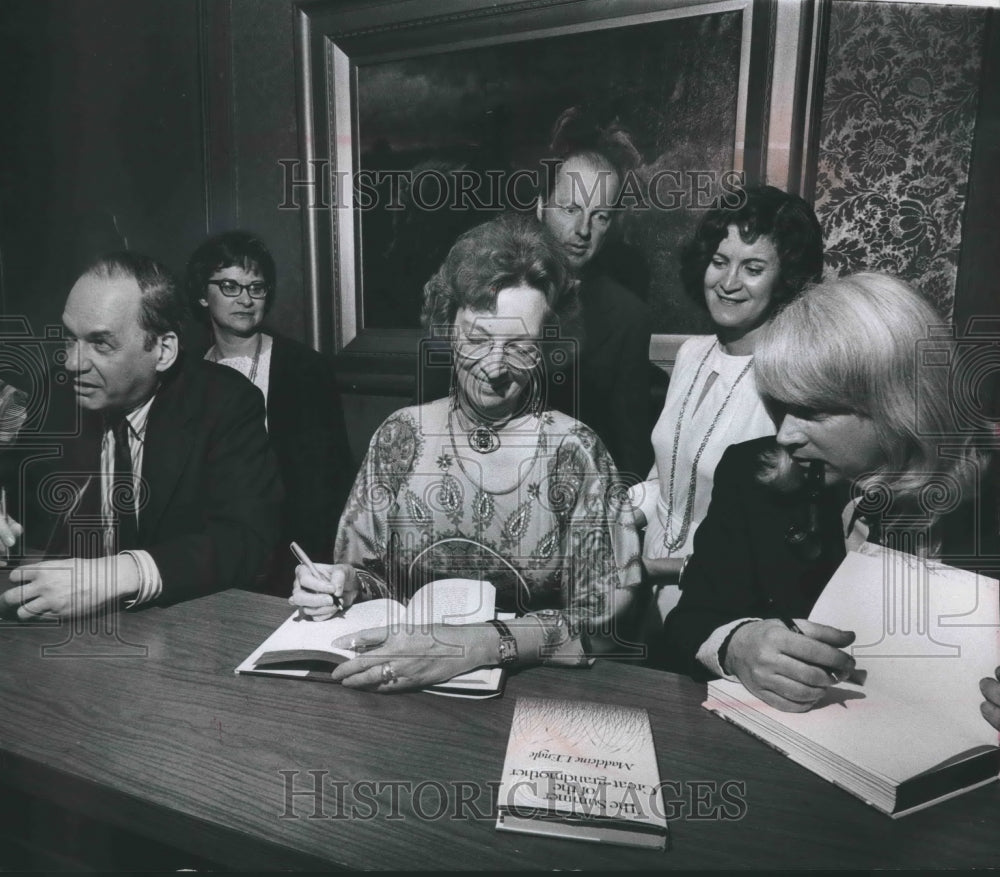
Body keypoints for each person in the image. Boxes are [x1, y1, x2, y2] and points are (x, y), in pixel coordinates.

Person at [291, 214, 643, 692]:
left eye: (520, 346)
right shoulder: (400, 436)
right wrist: (341, 586)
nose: (495, 367)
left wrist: (480, 644)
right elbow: (372, 580)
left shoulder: (575, 453)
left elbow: (604, 626)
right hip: (399, 681)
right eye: (478, 339)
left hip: (531, 690)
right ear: (447, 324)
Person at [660, 272, 1000, 716]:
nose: (784, 435)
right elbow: (691, 621)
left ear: (898, 407)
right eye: (779, 406)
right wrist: (737, 644)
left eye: (811, 411)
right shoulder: (750, 473)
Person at [0, 252, 282, 619]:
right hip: (53, 632)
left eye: (100, 343)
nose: (72, 362)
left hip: (180, 630)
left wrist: (118, 574)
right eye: (71, 339)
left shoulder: (225, 403)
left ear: (162, 350)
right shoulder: (55, 392)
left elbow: (245, 541)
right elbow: (12, 479)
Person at [630, 185, 824, 628]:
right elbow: (667, 478)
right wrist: (618, 513)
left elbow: (769, 545)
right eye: (720, 262)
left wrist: (656, 571)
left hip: (722, 604)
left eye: (753, 268)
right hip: (642, 584)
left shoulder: (790, 381)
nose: (729, 282)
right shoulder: (690, 355)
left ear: (785, 280)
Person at [186, 231, 353, 593]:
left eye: (256, 288)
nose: (245, 299)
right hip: (206, 557)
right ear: (202, 294)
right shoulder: (187, 373)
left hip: (286, 560)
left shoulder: (303, 368)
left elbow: (324, 487)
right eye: (230, 286)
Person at [535, 107, 654, 482]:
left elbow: (630, 448)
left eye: (599, 216)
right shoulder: (492, 289)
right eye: (570, 209)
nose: (583, 229)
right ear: (541, 207)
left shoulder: (627, 317)